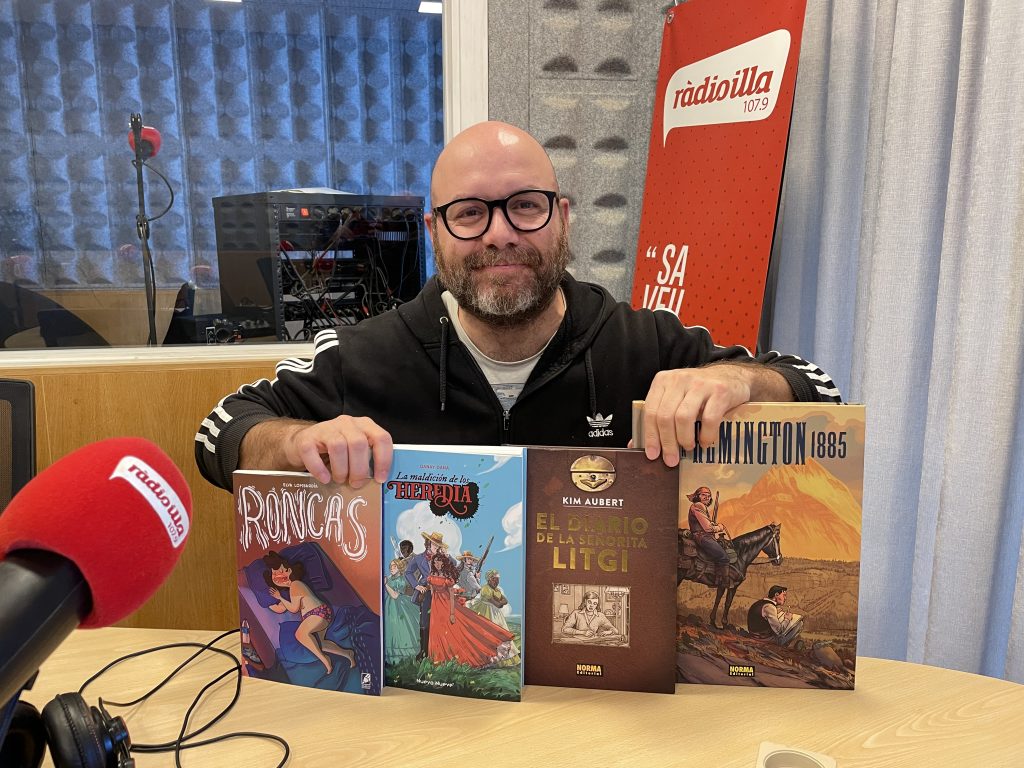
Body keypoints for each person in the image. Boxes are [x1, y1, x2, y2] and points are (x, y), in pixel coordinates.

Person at [194, 120, 841, 492]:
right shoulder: (364, 357)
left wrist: (737, 382)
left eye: (525, 206)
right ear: (434, 232)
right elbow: (218, 433)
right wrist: (297, 443)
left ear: (562, 217)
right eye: (469, 213)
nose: (500, 233)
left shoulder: (643, 346)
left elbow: (821, 392)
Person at [262, 551, 356, 676]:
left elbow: (294, 609)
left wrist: (279, 597)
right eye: (275, 574)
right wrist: (268, 603)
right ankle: (347, 653)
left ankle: (325, 660)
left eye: (283, 571)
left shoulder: (295, 585)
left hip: (317, 613)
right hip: (319, 614)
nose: (279, 575)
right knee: (321, 644)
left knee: (300, 634)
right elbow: (281, 608)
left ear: (290, 571)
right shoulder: (291, 591)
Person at [425, 552, 515, 667]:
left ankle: (455, 658)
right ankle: (439, 659)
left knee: (460, 628)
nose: (437, 563)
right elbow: (432, 592)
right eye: (435, 562)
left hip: (448, 604)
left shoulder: (448, 576)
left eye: (439, 561)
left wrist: (452, 613)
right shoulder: (432, 575)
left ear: (443, 563)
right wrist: (433, 607)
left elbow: (451, 595)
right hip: (436, 606)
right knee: (438, 630)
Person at [403, 531, 455, 661]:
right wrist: (416, 585)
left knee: (442, 621)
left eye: (438, 545)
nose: (436, 547)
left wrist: (447, 556)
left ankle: (442, 652)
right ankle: (424, 652)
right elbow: (408, 572)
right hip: (426, 591)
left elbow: (455, 566)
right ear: (428, 543)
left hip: (441, 592)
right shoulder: (419, 558)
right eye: (434, 544)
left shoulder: (443, 557)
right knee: (425, 621)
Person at [470, 569, 521, 665]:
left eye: (497, 579)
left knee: (501, 632)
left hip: (496, 613)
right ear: (489, 579)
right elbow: (497, 604)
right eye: (494, 579)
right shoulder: (485, 589)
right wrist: (499, 602)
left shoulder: (497, 590)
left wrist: (500, 602)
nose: (496, 581)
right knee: (488, 632)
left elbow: (505, 601)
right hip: (486, 611)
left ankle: (503, 657)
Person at [686, 485, 732, 588]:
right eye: (704, 495)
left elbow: (706, 524)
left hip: (704, 536)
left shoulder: (701, 506)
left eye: (709, 496)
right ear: (697, 496)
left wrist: (713, 525)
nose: (707, 497)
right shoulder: (698, 505)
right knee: (724, 557)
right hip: (702, 537)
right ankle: (723, 583)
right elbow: (707, 528)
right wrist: (719, 527)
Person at [383, 557, 420, 663]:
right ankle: (392, 659)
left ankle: (405, 659)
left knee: (401, 630)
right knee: (392, 630)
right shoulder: (389, 578)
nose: (391, 568)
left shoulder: (403, 579)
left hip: (401, 607)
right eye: (390, 566)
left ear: (399, 567)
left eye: (394, 566)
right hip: (390, 608)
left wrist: (385, 584)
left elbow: (395, 595)